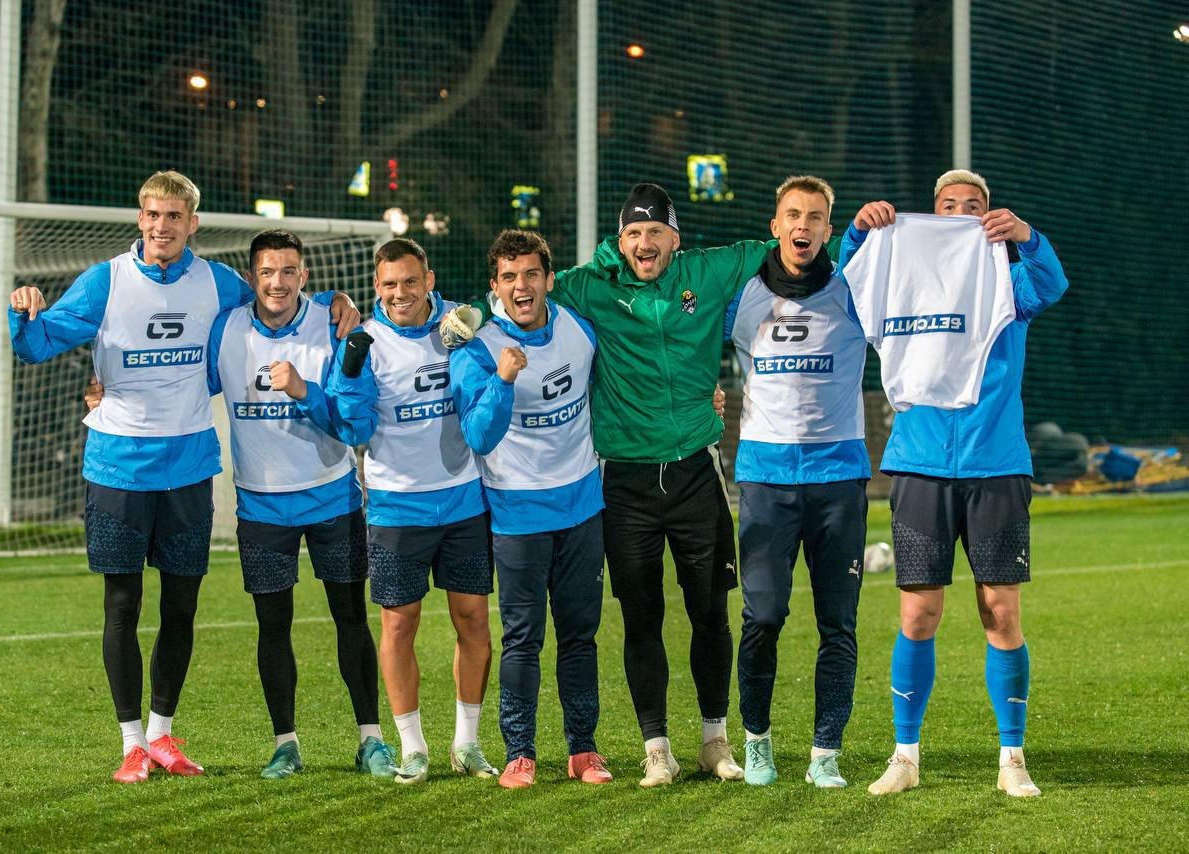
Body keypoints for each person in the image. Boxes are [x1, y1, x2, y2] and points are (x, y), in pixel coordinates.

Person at [440, 183, 767, 786]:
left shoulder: (696, 276)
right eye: (633, 234)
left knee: (708, 613)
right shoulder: (584, 292)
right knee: (629, 618)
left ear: (674, 237)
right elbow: (516, 299)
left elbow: (782, 249)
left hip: (691, 471)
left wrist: (855, 236)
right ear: (620, 240)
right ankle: (652, 748)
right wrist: (472, 320)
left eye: (655, 232)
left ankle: (712, 741)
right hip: (613, 485)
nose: (644, 243)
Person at [10, 171, 250, 783]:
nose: (161, 226)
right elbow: (37, 345)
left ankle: (164, 735)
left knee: (181, 608)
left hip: (190, 466)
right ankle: (131, 744)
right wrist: (25, 311)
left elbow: (273, 318)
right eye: (152, 215)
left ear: (193, 223)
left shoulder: (220, 283)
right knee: (122, 605)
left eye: (173, 216)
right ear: (140, 218)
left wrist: (333, 305)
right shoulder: (106, 280)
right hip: (117, 466)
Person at [840, 169, 1068, 798]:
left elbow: (1052, 285)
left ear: (987, 216)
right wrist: (858, 235)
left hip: (997, 465)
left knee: (1001, 612)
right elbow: (850, 287)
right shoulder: (904, 276)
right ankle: (905, 755)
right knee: (918, 613)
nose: (961, 212)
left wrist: (1026, 237)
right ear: (933, 215)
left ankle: (1012, 757)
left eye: (974, 205)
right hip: (920, 465)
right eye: (949, 205)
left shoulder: (1006, 280)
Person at [205, 229, 389, 779]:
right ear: (252, 277)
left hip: (332, 495)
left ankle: (371, 740)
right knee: (272, 627)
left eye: (288, 271)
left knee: (351, 619)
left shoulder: (332, 324)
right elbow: (182, 384)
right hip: (261, 506)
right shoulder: (226, 330)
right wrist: (111, 391)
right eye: (267, 272)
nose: (277, 282)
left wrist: (306, 391)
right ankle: (285, 744)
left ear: (304, 276)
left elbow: (351, 422)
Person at [327, 238, 498, 785]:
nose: (399, 293)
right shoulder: (364, 341)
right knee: (399, 625)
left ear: (429, 280)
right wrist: (350, 375)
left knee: (473, 621)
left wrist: (474, 330)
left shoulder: (459, 326)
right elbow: (354, 428)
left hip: (464, 498)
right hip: (396, 507)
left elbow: (490, 359)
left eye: (409, 281)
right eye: (388, 284)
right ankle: (413, 747)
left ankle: (467, 743)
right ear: (377, 288)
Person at [450, 230, 611, 789]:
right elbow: (479, 436)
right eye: (509, 277)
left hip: (583, 505)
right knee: (523, 639)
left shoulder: (579, 330)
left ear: (548, 279)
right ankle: (520, 753)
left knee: (580, 636)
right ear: (495, 287)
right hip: (517, 514)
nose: (522, 286)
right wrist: (502, 379)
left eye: (531, 274)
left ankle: (583, 750)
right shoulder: (477, 348)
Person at [726, 176, 868, 788]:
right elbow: (685, 345)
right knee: (763, 616)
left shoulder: (854, 290)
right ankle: (757, 742)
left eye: (814, 217)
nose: (802, 226)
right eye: (792, 215)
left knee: (838, 622)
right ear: (775, 225)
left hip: (839, 479)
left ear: (828, 230)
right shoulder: (742, 294)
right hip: (766, 480)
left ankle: (825, 752)